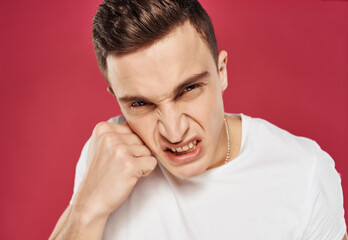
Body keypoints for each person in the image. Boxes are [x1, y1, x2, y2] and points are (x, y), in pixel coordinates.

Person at [50, 0, 346, 239]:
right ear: (116, 96)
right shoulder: (105, 154)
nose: (174, 131)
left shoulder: (304, 173)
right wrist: (87, 210)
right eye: (141, 103)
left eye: (188, 89)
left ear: (222, 72)